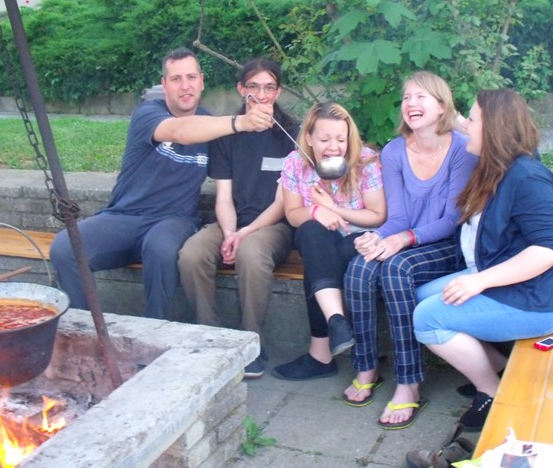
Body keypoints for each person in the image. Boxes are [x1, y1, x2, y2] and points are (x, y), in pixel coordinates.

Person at [50, 48, 274, 319]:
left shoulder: (211, 125)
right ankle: (83, 327)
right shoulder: (148, 113)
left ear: (202, 81)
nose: (185, 86)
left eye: (191, 77)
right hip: (124, 216)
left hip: (174, 220)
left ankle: (153, 328)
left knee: (161, 248)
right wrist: (241, 121)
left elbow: (236, 170)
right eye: (176, 79)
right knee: (65, 247)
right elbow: (180, 131)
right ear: (164, 84)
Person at [410, 88, 553, 435]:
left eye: (472, 120)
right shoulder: (499, 167)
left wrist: (479, 281)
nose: (465, 127)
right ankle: (498, 364)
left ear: (494, 128)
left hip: (537, 298)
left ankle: (492, 393)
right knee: (421, 295)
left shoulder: (528, 178)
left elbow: (549, 249)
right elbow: (460, 123)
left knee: (428, 318)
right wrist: (442, 109)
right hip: (509, 283)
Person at [343, 71, 478, 430]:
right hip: (407, 239)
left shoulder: (462, 149)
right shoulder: (394, 151)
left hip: (449, 245)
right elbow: (398, 217)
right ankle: (366, 366)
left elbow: (451, 220)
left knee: (396, 269)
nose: (411, 104)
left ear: (442, 106)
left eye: (421, 97)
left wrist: (400, 240)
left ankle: (409, 380)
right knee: (360, 266)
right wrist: (375, 238)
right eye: (406, 98)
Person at [179, 58, 298, 379]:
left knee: (251, 252)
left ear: (278, 91)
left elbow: (282, 203)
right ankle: (211, 337)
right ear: (241, 89)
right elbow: (223, 197)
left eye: (269, 87)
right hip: (232, 220)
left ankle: (251, 341)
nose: (262, 94)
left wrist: (243, 235)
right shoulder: (227, 133)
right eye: (254, 87)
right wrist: (231, 232)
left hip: (273, 225)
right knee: (192, 253)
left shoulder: (290, 134)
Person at [271, 102, 386, 381]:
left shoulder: (365, 161)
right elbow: (293, 214)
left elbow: (377, 215)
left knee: (318, 261)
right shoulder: (296, 163)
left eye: (340, 139)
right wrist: (315, 211)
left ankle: (322, 352)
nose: (334, 147)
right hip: (320, 239)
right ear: (309, 138)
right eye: (324, 139)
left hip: (361, 237)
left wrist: (334, 209)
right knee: (310, 232)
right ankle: (336, 320)